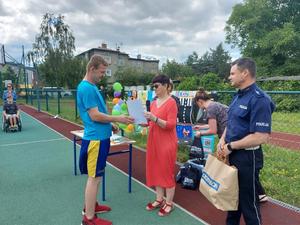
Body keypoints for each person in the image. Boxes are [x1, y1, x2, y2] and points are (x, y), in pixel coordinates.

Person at [77, 55, 134, 225]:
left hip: (100, 136)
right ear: (92, 69)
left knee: (97, 176)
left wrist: (110, 126)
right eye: (102, 72)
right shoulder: (86, 88)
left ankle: (91, 206)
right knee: (94, 178)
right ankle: (89, 218)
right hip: (95, 139)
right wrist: (118, 120)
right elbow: (94, 116)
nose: (103, 75)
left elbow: (96, 113)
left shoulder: (91, 86)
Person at [218, 57, 275, 225]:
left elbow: (261, 136)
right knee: (232, 201)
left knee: (249, 204)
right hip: (232, 154)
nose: (229, 77)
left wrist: (230, 146)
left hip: (248, 158)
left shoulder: (260, 99)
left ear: (245, 73)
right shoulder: (238, 96)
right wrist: (222, 140)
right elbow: (232, 122)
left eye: (232, 73)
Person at [143, 74, 178, 217]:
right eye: (153, 86)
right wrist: (141, 120)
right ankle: (159, 199)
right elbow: (150, 123)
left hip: (166, 142)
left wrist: (154, 118)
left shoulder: (171, 103)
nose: (155, 89)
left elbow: (171, 125)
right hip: (154, 141)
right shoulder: (153, 102)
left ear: (166, 86)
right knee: (155, 169)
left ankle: (169, 203)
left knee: (166, 171)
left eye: (156, 86)